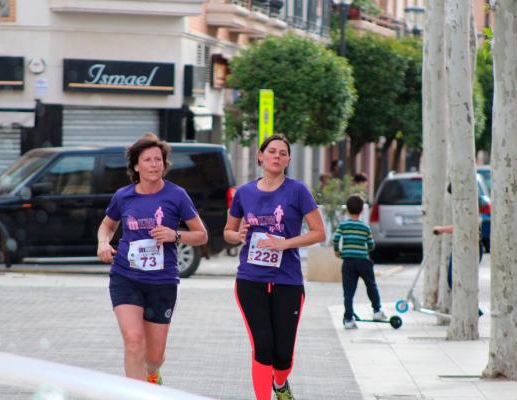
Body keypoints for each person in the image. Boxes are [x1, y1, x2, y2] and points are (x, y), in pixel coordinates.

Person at [97, 133, 207, 384]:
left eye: (159, 159)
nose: (154, 164)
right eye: (148, 160)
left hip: (162, 281)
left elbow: (201, 235)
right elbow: (107, 226)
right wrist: (103, 243)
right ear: (136, 166)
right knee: (134, 342)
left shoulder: (177, 195)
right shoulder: (123, 196)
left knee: (154, 356)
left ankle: (152, 374)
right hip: (126, 276)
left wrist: (174, 234)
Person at [223, 134, 325, 400]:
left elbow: (319, 233)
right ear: (260, 156)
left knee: (283, 355)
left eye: (282, 153)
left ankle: (280, 384)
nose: (277, 156)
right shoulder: (244, 193)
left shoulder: (297, 190)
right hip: (250, 279)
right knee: (262, 346)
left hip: (288, 280)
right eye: (272, 151)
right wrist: (239, 235)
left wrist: (286, 243)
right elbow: (228, 232)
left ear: (288, 160)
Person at [333, 194, 383, 329]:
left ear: (348, 210)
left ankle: (348, 319)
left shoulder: (343, 225)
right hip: (363, 261)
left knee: (348, 292)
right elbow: (371, 244)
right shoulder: (365, 227)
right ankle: (377, 311)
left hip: (348, 262)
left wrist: (337, 251)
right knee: (371, 285)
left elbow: (336, 238)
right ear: (361, 210)